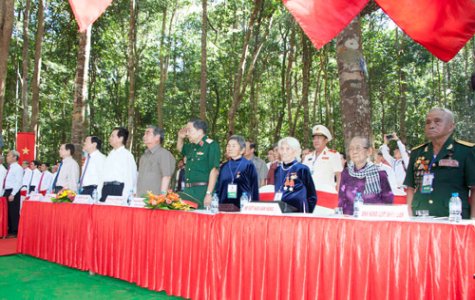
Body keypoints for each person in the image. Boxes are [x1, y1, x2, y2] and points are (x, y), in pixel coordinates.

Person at [404, 108, 475, 218]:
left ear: (451, 126)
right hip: (421, 215)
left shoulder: (465, 151)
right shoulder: (417, 152)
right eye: (428, 122)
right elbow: (410, 187)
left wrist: (473, 221)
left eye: (437, 121)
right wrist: (409, 215)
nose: (431, 125)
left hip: (453, 218)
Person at [338, 137, 394, 215]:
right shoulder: (346, 173)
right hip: (350, 221)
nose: (354, 151)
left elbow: (388, 202)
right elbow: (341, 200)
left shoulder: (380, 173)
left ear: (369, 151)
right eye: (351, 149)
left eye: (358, 148)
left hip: (373, 221)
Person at [177, 118, 221, 208]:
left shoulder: (211, 145)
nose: (187, 133)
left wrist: (209, 194)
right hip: (188, 191)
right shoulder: (191, 147)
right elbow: (180, 148)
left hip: (202, 192)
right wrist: (180, 137)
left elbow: (214, 170)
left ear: (200, 131)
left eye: (189, 130)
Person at [274, 137, 317, 213]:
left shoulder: (302, 169)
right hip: (280, 210)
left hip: (298, 212)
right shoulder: (277, 170)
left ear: (295, 151)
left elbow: (312, 195)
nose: (284, 152)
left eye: (288, 149)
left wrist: (308, 214)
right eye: (282, 149)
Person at [216, 135, 259, 209]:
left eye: (233, 146)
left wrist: (255, 207)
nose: (230, 148)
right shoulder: (223, 166)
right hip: (223, 207)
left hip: (242, 207)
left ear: (242, 150)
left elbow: (254, 188)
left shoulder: (248, 165)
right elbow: (219, 188)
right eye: (228, 146)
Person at [302, 125, 343, 193]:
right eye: (314, 138)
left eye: (319, 138)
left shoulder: (333, 155)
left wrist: (339, 196)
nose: (316, 140)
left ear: (326, 140)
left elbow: (339, 177)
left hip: (326, 195)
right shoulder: (308, 157)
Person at [137, 126, 176, 196]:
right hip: (140, 200)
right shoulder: (143, 157)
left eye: (147, 133)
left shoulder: (164, 154)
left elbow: (166, 177)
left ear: (157, 137)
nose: (144, 136)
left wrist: (162, 198)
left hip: (155, 202)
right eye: (144, 134)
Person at [100, 127, 137, 202]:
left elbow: (130, 178)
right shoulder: (110, 155)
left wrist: (125, 197)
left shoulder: (127, 155)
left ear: (120, 138)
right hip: (106, 189)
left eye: (112, 136)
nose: (110, 138)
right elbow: (103, 175)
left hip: (118, 190)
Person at [3, 150, 23, 235]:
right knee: (7, 211)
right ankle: (9, 228)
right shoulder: (10, 167)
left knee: (13, 211)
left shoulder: (18, 168)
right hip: (7, 191)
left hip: (13, 191)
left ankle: (14, 230)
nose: (7, 157)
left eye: (9, 156)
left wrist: (13, 194)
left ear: (15, 157)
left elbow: (18, 182)